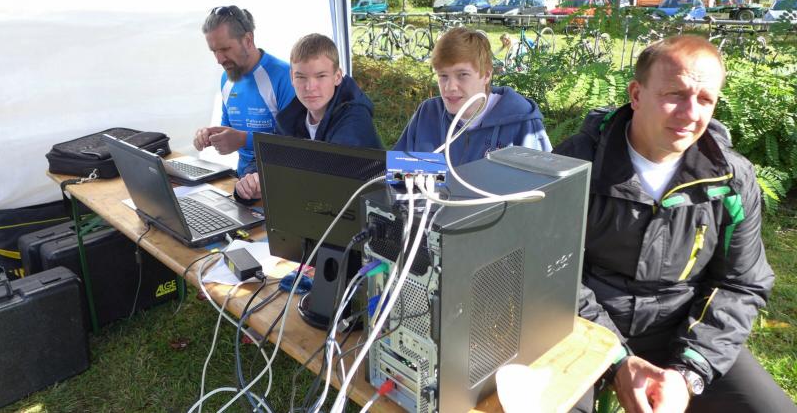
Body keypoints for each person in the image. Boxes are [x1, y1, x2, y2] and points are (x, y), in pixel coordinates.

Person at [554, 35, 795, 413]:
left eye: (705, 100)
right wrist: (615, 359)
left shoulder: (729, 179)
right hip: (583, 327)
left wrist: (689, 372)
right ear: (636, 95)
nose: (690, 114)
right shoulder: (574, 165)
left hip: (682, 327)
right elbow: (552, 275)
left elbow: (741, 282)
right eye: (675, 95)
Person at [235, 33, 382, 200]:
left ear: (337, 77)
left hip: (365, 210)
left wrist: (273, 180)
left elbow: (326, 177)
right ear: (292, 77)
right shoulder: (290, 117)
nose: (310, 87)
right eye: (301, 77)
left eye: (321, 76)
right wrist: (252, 179)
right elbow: (267, 156)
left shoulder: (355, 118)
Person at [393, 27, 551, 165]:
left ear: (486, 75)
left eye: (462, 75)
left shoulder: (521, 122)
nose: (450, 87)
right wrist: (424, 177)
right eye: (443, 76)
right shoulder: (428, 114)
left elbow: (544, 185)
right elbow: (396, 177)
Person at [193, 6, 295, 176]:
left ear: (248, 40)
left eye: (225, 49)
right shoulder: (227, 79)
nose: (219, 60)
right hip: (243, 180)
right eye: (214, 51)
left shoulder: (285, 76)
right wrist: (209, 136)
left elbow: (296, 144)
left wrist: (243, 140)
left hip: (281, 179)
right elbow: (227, 128)